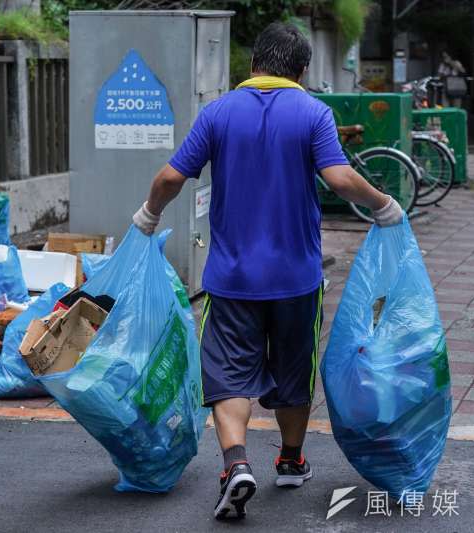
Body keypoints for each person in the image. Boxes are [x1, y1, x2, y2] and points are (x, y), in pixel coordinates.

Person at [132, 22, 403, 520]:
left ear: (253, 63)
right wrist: (385, 207)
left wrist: (148, 216)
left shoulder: (216, 114)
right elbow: (339, 177)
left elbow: (171, 176)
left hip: (231, 278)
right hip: (296, 278)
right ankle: (291, 460)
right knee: (293, 369)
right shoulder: (313, 112)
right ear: (301, 70)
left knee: (229, 374)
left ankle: (236, 463)